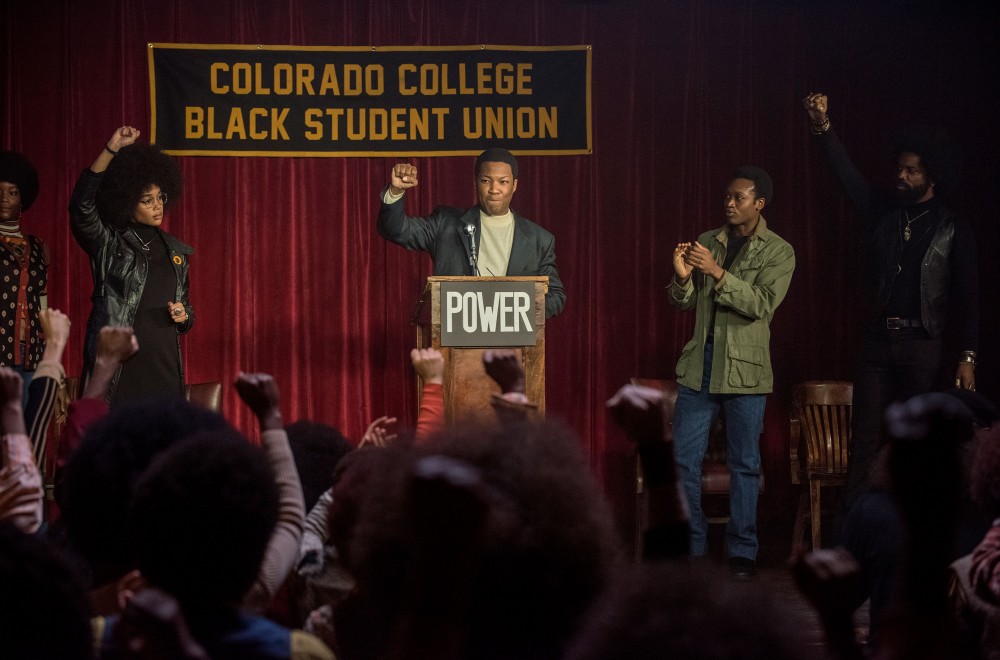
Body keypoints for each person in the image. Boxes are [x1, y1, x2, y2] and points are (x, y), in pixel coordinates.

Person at [802, 93, 979, 516]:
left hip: (921, 345)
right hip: (877, 343)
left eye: (911, 170)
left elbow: (968, 297)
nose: (900, 175)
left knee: (913, 440)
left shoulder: (953, 228)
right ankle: (852, 533)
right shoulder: (882, 211)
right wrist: (822, 127)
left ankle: (909, 531)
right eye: (899, 167)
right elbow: (846, 175)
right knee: (864, 439)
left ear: (931, 177)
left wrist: (968, 355)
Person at [668, 166, 795, 578]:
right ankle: (694, 546)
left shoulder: (779, 251)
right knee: (683, 461)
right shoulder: (709, 241)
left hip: (745, 370)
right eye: (727, 195)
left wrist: (718, 273)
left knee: (745, 464)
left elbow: (762, 304)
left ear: (759, 203)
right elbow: (684, 302)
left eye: (738, 197)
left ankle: (742, 552)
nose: (729, 203)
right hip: (700, 365)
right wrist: (683, 277)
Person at [69, 125, 193, 407]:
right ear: (126, 202)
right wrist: (111, 148)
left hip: (163, 366)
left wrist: (183, 315)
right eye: (146, 200)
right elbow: (81, 207)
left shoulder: (177, 252)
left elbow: (187, 312)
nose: (156, 206)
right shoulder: (109, 243)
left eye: (159, 197)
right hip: (120, 368)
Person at [377, 147, 566, 318]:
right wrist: (395, 192)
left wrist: (519, 311)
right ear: (476, 183)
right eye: (486, 181)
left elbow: (556, 296)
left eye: (503, 182)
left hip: (513, 346)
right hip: (455, 343)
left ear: (514, 185)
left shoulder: (539, 239)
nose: (494, 189)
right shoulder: (445, 223)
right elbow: (395, 230)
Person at [0, 151, 48, 394]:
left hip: (31, 350)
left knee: (25, 424)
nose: (4, 198)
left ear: (23, 198)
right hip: (1, 348)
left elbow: (42, 297)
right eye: (0, 191)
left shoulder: (38, 246)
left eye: (12, 192)